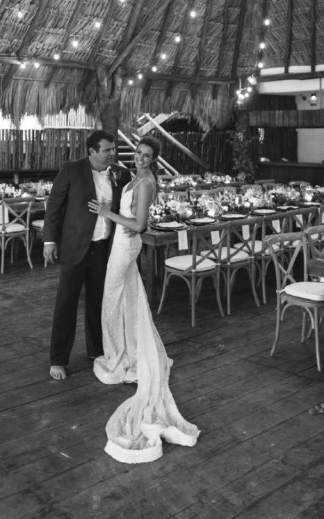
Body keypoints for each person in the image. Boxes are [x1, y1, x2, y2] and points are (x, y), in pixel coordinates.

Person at [87, 136, 199, 463]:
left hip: (125, 245)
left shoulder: (146, 184)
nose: (140, 158)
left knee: (110, 298)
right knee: (128, 299)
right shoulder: (134, 177)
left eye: (146, 155)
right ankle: (126, 348)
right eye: (138, 152)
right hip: (121, 245)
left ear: (153, 159)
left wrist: (108, 213)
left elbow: (138, 225)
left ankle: (116, 355)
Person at [42, 130, 130, 380]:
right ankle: (58, 358)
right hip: (73, 247)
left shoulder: (121, 174)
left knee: (99, 302)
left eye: (114, 149)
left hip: (104, 248)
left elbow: (126, 206)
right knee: (66, 304)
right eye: (107, 150)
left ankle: (97, 350)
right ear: (91, 151)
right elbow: (54, 206)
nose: (112, 154)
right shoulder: (71, 170)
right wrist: (49, 241)